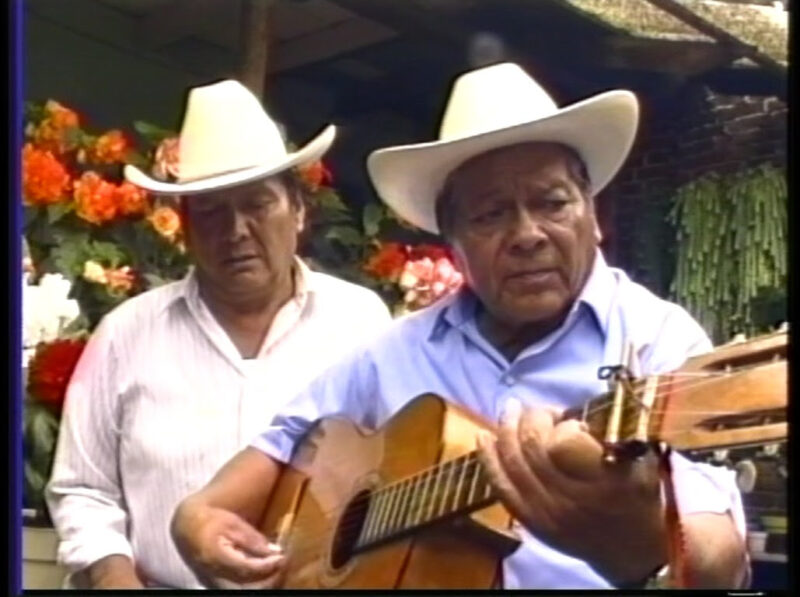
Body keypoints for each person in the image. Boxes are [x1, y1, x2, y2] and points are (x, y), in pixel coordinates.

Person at [170, 63, 749, 589]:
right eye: (491, 213)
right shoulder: (392, 354)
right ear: (453, 242)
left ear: (592, 214)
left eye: (551, 203)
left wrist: (638, 542)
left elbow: (722, 563)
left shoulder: (658, 344)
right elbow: (281, 444)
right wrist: (193, 518)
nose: (526, 234)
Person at [45, 79, 391, 589]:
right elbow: (83, 489)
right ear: (183, 228)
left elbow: (392, 463)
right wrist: (114, 578)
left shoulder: (359, 322)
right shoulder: (126, 335)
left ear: (298, 211)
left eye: (257, 205)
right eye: (211, 211)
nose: (235, 231)